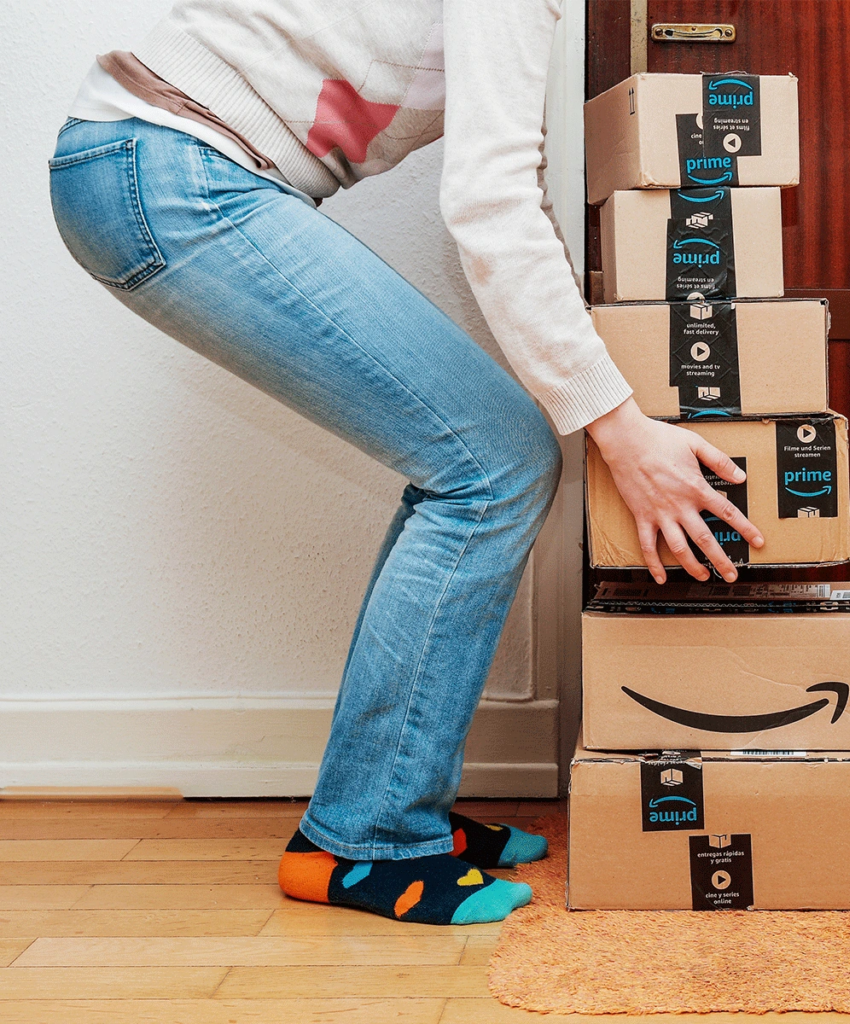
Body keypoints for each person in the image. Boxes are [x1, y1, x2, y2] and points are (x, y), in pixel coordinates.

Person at [48, 0, 764, 927]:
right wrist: (620, 431)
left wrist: (595, 385)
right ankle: (365, 837)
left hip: (158, 165)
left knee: (489, 457)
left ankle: (387, 801)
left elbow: (510, 184)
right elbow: (488, 200)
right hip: (170, 169)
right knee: (495, 465)